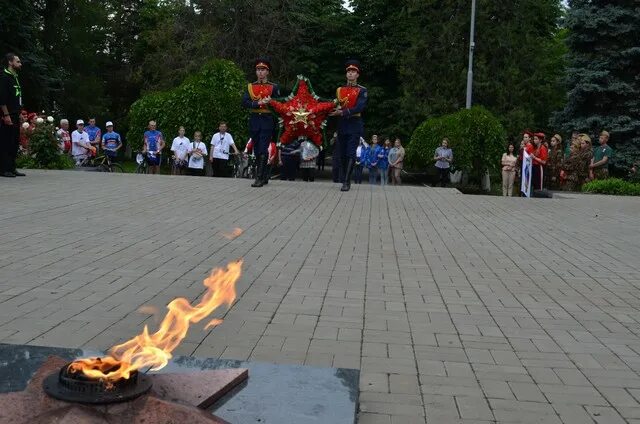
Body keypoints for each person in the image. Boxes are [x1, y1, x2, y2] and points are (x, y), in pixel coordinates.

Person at [330, 59, 368, 192]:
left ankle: (346, 181)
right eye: (349, 72)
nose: (351, 74)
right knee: (342, 153)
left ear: (358, 74)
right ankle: (344, 178)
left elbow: (360, 107)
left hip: (354, 123)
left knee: (351, 152)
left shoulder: (362, 90)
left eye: (353, 72)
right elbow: (335, 104)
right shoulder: (340, 90)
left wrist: (343, 112)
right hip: (342, 124)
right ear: (346, 74)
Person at [242, 58, 280, 187]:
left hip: (267, 120)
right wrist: (257, 103)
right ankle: (264, 175)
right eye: (258, 70)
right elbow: (244, 102)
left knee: (263, 148)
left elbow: (279, 104)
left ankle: (259, 177)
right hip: (254, 120)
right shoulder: (250, 86)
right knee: (257, 148)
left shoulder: (273, 87)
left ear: (267, 72)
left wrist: (271, 102)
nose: (260, 72)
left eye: (263, 70)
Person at [0, 53, 24, 177]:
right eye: (18, 61)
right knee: (6, 142)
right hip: (8, 115)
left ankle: (12, 167)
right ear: (10, 62)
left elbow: (17, 97)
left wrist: (20, 113)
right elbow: (2, 99)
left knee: (14, 142)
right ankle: (4, 169)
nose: (20, 64)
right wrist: (6, 115)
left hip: (15, 114)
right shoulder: (4, 77)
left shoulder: (15, 77)